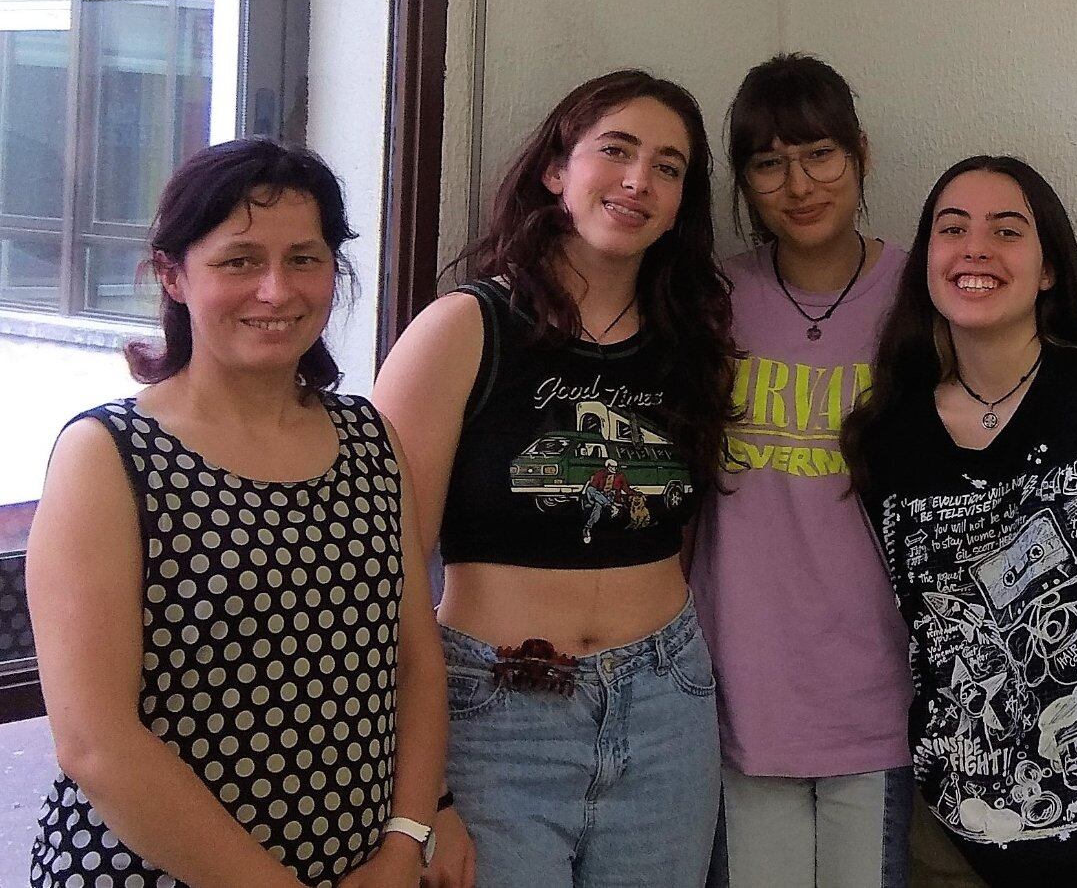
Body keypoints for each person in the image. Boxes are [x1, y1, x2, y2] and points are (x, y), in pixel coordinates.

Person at [27, 139, 445, 887]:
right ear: (172, 275)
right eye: (239, 261)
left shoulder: (369, 436)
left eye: (304, 259)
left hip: (358, 866)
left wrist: (405, 840)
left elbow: (413, 660)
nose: (276, 291)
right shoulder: (107, 454)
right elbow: (95, 742)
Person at [374, 70, 733, 888]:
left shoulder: (694, 342)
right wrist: (424, 795)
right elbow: (384, 572)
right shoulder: (464, 328)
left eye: (668, 167)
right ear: (555, 169)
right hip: (495, 710)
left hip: (668, 704)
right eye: (617, 150)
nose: (639, 180)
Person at [845, 156, 1077, 887]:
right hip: (962, 839)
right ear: (926, 264)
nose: (976, 249)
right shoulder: (888, 435)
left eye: (1007, 230)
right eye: (953, 229)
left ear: (1049, 270)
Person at [690, 54, 915, 886]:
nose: (799, 185)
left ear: (861, 153)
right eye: (769, 163)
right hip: (742, 689)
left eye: (820, 154)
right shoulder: (711, 300)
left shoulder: (920, 297)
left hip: (876, 692)